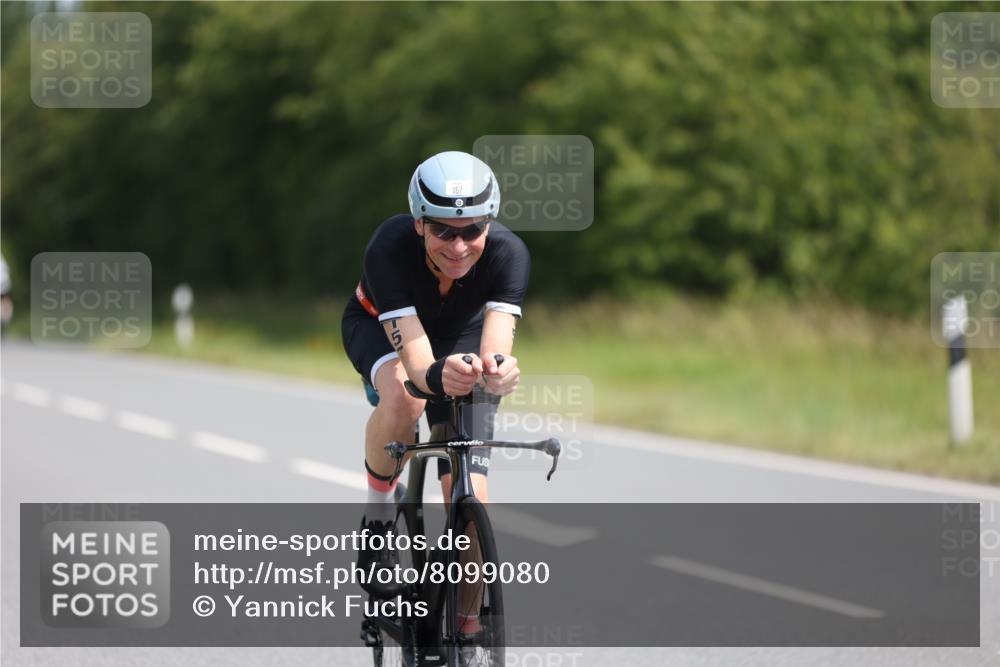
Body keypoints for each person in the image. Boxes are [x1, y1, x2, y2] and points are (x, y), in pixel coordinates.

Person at [340, 151, 529, 588]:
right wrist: (435, 375)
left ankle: (466, 630)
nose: (459, 246)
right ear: (419, 223)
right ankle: (379, 513)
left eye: (473, 230)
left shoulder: (510, 253)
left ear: (489, 222)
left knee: (469, 498)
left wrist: (498, 372)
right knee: (406, 396)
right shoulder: (388, 248)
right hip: (380, 325)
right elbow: (421, 366)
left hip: (460, 334)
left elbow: (496, 347)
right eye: (443, 230)